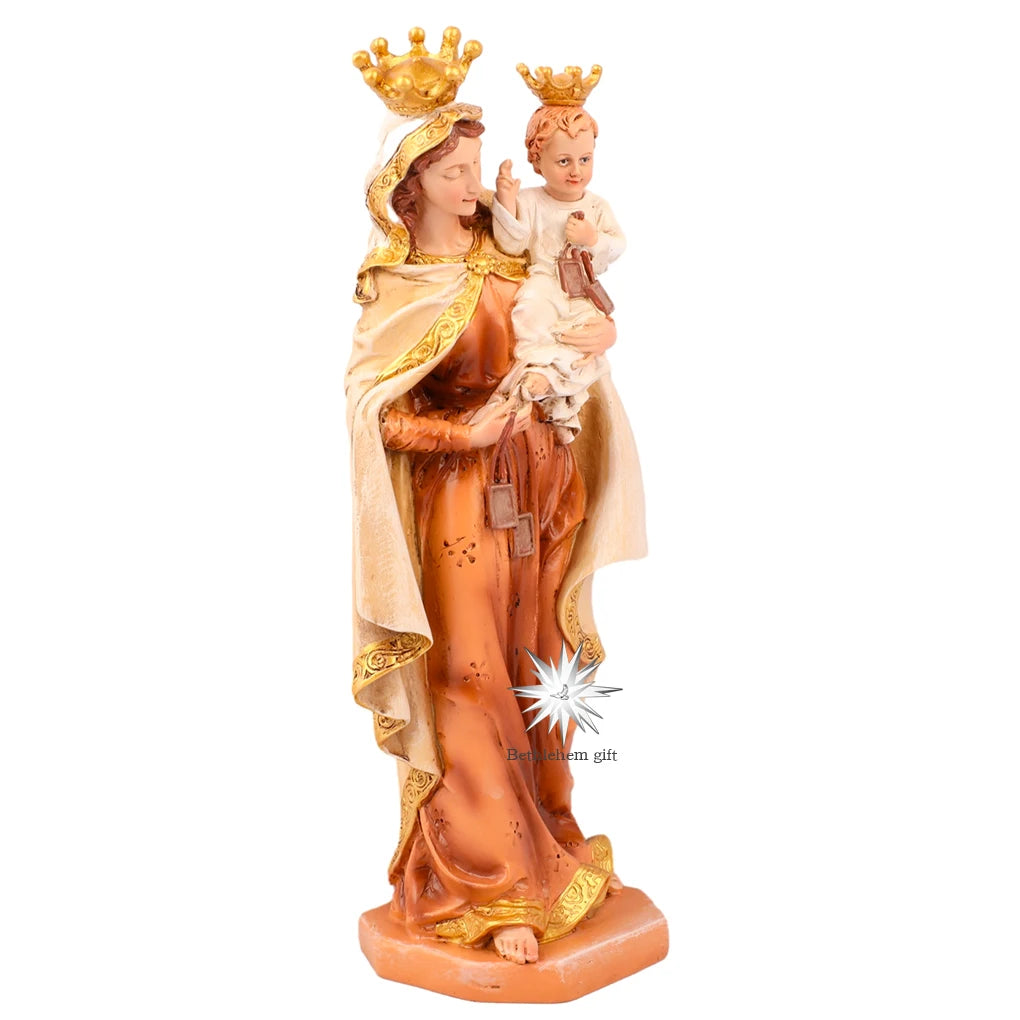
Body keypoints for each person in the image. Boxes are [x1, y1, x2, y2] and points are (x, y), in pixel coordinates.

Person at [346, 99, 646, 966]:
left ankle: (548, 832)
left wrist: (600, 331)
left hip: (543, 484)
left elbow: (568, 314)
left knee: (539, 666)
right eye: (453, 174)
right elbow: (373, 410)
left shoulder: (510, 250)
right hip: (460, 501)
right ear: (408, 189)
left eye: (475, 169)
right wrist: (462, 433)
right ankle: (493, 878)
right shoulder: (400, 288)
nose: (473, 187)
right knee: (469, 676)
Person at [481, 103, 625, 444]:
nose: (576, 171)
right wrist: (507, 202)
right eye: (564, 161)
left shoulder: (596, 206)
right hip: (545, 280)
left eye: (585, 159)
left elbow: (618, 245)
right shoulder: (531, 200)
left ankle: (565, 406)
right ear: (538, 161)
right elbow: (512, 243)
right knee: (529, 312)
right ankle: (539, 374)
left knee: (583, 339)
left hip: (582, 289)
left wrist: (593, 239)